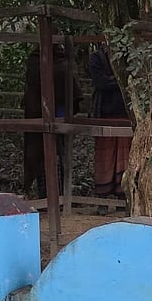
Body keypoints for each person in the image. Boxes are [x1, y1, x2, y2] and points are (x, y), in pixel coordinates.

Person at [22, 41, 81, 198]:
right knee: (39, 156)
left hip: (60, 112)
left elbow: (70, 85)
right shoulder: (35, 60)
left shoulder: (63, 60)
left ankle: (62, 194)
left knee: (61, 154)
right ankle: (44, 195)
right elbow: (34, 82)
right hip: (38, 112)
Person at [88, 44, 132, 210]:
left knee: (124, 160)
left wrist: (117, 81)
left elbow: (133, 78)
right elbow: (100, 83)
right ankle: (103, 200)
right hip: (105, 114)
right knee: (104, 159)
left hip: (125, 114)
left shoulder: (128, 56)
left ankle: (122, 198)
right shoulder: (96, 57)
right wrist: (121, 81)